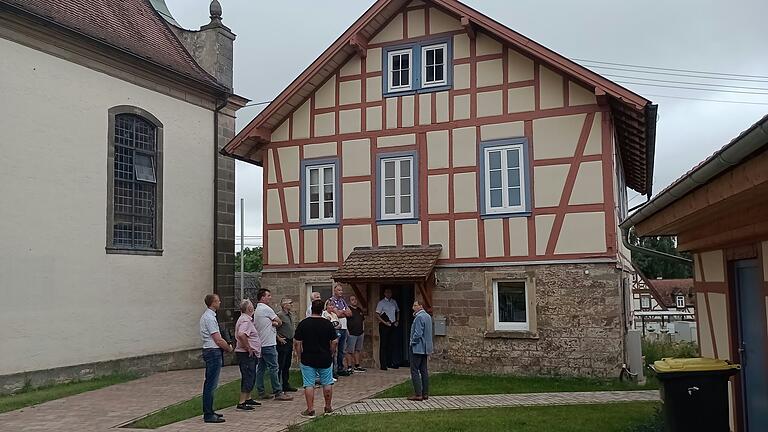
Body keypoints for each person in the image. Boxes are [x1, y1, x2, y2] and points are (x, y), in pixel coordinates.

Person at [294, 299, 338, 417]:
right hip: (325, 357)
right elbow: (334, 341)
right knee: (327, 383)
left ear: (311, 309)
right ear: (322, 310)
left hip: (308, 358)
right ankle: (328, 407)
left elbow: (297, 342)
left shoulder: (304, 323)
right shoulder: (327, 324)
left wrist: (299, 355)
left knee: (309, 384)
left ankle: (310, 409)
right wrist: (331, 352)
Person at [253, 288, 293, 401]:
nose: (270, 297)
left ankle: (261, 391)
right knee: (274, 368)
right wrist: (274, 323)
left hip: (261, 342)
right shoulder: (266, 309)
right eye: (268, 295)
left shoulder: (257, 310)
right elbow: (279, 321)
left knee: (261, 368)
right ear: (262, 297)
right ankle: (278, 391)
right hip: (269, 343)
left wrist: (272, 323)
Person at [199, 294, 233, 423]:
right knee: (210, 384)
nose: (220, 302)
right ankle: (208, 413)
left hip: (212, 350)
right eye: (218, 300)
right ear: (212, 302)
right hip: (212, 351)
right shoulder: (209, 318)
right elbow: (218, 339)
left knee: (211, 383)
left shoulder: (210, 316)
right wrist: (228, 348)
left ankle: (210, 410)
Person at [234, 299, 262, 410]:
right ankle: (242, 401)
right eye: (252, 306)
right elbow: (241, 334)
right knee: (248, 376)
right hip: (245, 354)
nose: (253, 307)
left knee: (251, 375)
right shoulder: (245, 321)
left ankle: (248, 397)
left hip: (248, 354)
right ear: (249, 309)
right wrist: (248, 347)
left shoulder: (246, 319)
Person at [408, 298, 433, 401]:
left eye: (415, 305)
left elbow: (418, 333)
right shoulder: (428, 317)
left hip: (418, 347)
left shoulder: (419, 317)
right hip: (426, 347)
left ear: (420, 306)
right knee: (424, 370)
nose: (413, 308)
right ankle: (425, 393)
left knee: (414, 370)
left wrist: (412, 342)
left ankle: (418, 394)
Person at [328, 283, 351, 376]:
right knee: (334, 349)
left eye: (341, 290)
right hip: (336, 328)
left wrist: (343, 312)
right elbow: (337, 314)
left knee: (342, 350)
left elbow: (350, 313)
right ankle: (333, 370)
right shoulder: (331, 301)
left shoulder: (343, 301)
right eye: (339, 290)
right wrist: (343, 312)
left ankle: (340, 368)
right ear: (335, 291)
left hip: (344, 328)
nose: (341, 292)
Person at [276, 297, 298, 393]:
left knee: (287, 364)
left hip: (289, 340)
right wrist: (278, 338)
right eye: (290, 303)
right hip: (282, 342)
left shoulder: (290, 315)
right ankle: (278, 385)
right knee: (281, 363)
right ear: (284, 305)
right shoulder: (280, 315)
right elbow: (273, 328)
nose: (292, 305)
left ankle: (286, 384)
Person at [375, 288, 400, 370]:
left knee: (392, 344)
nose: (389, 294)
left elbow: (398, 311)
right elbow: (377, 314)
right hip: (384, 325)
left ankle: (392, 363)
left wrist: (397, 321)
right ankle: (383, 365)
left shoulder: (394, 302)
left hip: (392, 324)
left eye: (390, 292)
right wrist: (384, 322)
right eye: (387, 292)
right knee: (384, 345)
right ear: (384, 293)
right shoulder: (381, 303)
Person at [345, 295, 366, 372]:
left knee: (358, 350)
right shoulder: (348, 310)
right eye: (352, 299)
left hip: (360, 333)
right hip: (351, 333)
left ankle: (357, 365)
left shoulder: (359, 310)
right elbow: (345, 321)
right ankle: (349, 367)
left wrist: (363, 330)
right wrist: (348, 332)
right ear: (349, 301)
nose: (354, 301)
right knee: (350, 351)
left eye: (355, 299)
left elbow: (363, 320)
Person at [322, 300, 341, 379]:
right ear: (326, 306)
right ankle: (329, 373)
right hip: (328, 336)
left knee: (335, 353)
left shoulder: (334, 314)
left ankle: (334, 371)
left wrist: (335, 327)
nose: (331, 307)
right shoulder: (324, 314)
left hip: (336, 334)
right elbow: (325, 324)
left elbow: (339, 324)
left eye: (332, 305)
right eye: (329, 305)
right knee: (330, 353)